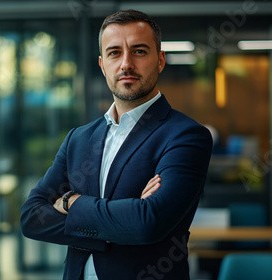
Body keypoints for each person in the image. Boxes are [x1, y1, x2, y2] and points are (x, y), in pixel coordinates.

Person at [20, 9, 213, 280]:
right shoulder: (79, 138)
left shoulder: (186, 136)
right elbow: (31, 218)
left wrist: (69, 202)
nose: (126, 64)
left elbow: (148, 223)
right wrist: (121, 220)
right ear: (102, 65)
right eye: (114, 53)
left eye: (139, 51)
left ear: (160, 60)